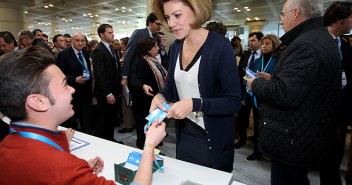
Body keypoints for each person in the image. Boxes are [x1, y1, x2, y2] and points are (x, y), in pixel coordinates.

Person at [0, 46, 166, 185]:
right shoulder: (61, 169)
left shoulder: (9, 145)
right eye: (65, 85)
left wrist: (80, 170)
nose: (72, 89)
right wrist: (149, 146)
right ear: (38, 102)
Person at [246, 0, 341, 184]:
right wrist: (273, 80)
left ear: (296, 13)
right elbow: (302, 85)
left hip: (293, 137)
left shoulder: (305, 44)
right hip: (305, 131)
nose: (281, 21)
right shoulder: (320, 38)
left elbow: (284, 94)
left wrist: (255, 83)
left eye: (283, 15)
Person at [152, 0, 241, 172]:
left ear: (196, 10)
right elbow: (171, 84)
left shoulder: (220, 47)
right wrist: (161, 96)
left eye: (177, 15)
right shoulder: (177, 46)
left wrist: (195, 103)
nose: (171, 24)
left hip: (213, 136)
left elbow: (234, 101)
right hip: (185, 132)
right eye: (168, 17)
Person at [121, 12, 167, 149]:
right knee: (143, 119)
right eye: (158, 24)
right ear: (150, 23)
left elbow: (161, 63)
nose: (160, 27)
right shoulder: (139, 34)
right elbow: (129, 55)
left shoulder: (155, 45)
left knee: (151, 121)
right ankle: (144, 145)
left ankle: (152, 142)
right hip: (141, 91)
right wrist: (125, 77)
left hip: (151, 93)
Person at [322, 2, 352, 185]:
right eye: (350, 19)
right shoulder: (316, 42)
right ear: (340, 20)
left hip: (340, 111)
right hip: (317, 111)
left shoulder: (347, 48)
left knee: (335, 152)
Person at [244, 34, 279, 161]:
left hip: (271, 99)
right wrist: (246, 94)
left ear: (274, 45)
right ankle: (257, 151)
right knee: (258, 125)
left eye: (268, 44)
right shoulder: (258, 61)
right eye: (263, 44)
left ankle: (269, 151)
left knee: (269, 127)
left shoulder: (278, 61)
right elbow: (248, 77)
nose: (264, 46)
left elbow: (281, 80)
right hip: (256, 98)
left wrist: (270, 78)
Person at [134, 37, 168, 149]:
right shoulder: (141, 61)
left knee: (152, 126)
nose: (158, 48)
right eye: (155, 46)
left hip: (154, 99)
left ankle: (152, 146)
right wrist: (143, 85)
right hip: (144, 101)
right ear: (148, 49)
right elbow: (135, 80)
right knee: (144, 126)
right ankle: (145, 149)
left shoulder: (153, 60)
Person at [56, 32, 93, 134]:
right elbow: (59, 73)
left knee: (86, 118)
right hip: (72, 93)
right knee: (72, 120)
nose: (80, 43)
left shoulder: (85, 53)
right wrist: (74, 79)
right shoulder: (64, 54)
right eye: (77, 40)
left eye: (82, 41)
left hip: (86, 91)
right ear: (72, 41)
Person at [92, 24, 122, 142]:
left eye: (112, 32)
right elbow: (100, 75)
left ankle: (110, 139)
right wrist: (108, 93)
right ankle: (101, 142)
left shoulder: (111, 48)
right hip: (105, 92)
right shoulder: (98, 50)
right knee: (103, 120)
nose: (112, 34)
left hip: (113, 90)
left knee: (111, 118)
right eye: (109, 32)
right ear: (101, 35)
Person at [235, 31, 263, 150]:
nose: (250, 43)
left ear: (260, 42)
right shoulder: (246, 55)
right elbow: (240, 73)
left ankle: (257, 146)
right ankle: (242, 139)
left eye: (253, 40)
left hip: (258, 94)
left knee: (258, 120)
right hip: (245, 93)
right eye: (249, 40)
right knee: (243, 118)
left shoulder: (265, 56)